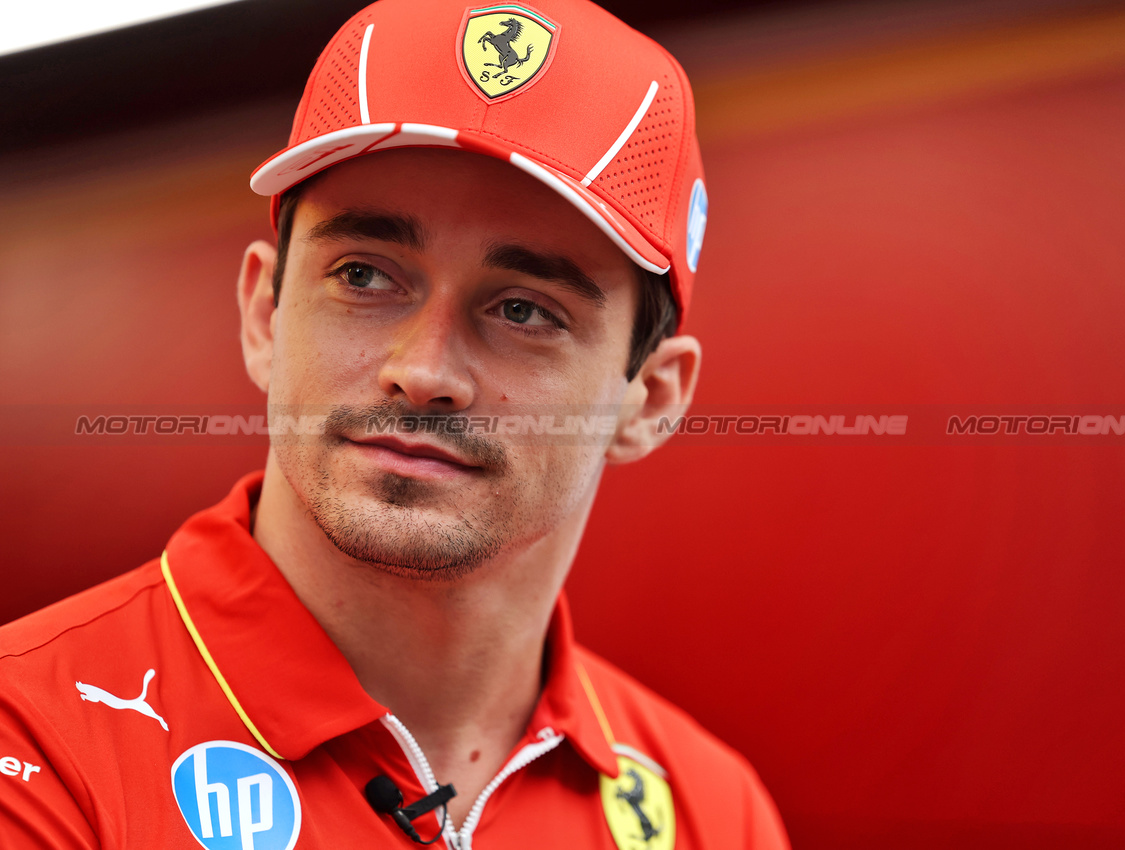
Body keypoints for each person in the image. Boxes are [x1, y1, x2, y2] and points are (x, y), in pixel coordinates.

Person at [0, 0, 789, 848]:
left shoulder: (713, 810)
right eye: (365, 276)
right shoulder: (37, 737)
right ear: (263, 316)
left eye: (523, 308)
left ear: (652, 399)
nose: (423, 371)